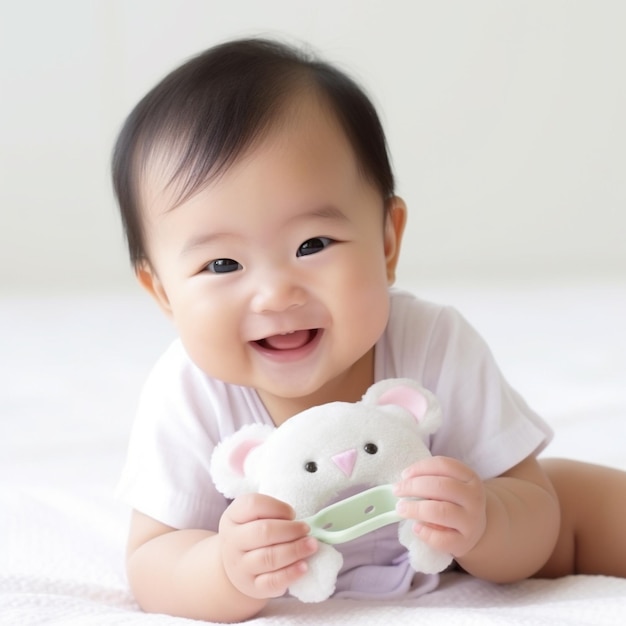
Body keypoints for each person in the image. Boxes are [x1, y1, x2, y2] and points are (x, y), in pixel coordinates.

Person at [112, 38, 626, 623]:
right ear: (162, 292)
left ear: (387, 241)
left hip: (451, 559)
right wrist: (224, 569)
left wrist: (484, 521)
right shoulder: (189, 392)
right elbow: (153, 561)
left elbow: (532, 520)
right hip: (278, 578)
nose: (276, 292)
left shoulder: (434, 342)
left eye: (313, 245)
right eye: (222, 265)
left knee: (571, 499)